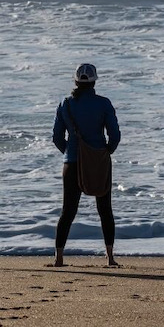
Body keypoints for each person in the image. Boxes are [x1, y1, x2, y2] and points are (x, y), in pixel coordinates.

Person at [51, 63, 121, 267]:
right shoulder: (104, 104)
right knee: (105, 209)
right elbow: (114, 135)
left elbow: (56, 137)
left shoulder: (66, 104)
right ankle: (110, 257)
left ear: (75, 81)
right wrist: (106, 151)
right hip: (98, 161)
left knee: (68, 211)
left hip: (71, 162)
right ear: (94, 81)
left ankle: (59, 257)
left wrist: (70, 152)